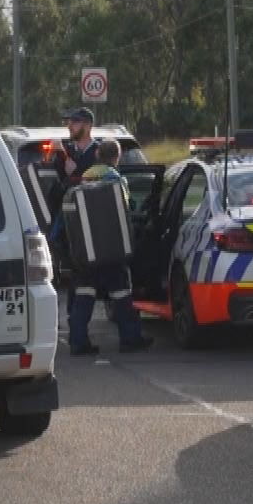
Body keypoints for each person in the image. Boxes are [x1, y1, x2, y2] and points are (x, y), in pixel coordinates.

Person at [66, 139, 151, 356]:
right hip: (112, 247)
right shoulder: (117, 180)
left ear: (96, 155)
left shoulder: (84, 177)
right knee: (121, 295)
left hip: (87, 248)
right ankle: (130, 339)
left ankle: (78, 342)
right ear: (117, 157)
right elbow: (127, 207)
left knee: (84, 295)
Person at [54, 107, 102, 188]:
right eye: (69, 122)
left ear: (88, 125)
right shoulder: (66, 151)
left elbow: (103, 184)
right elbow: (58, 186)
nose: (69, 126)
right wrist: (60, 154)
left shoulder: (100, 152)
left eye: (75, 122)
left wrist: (74, 173)